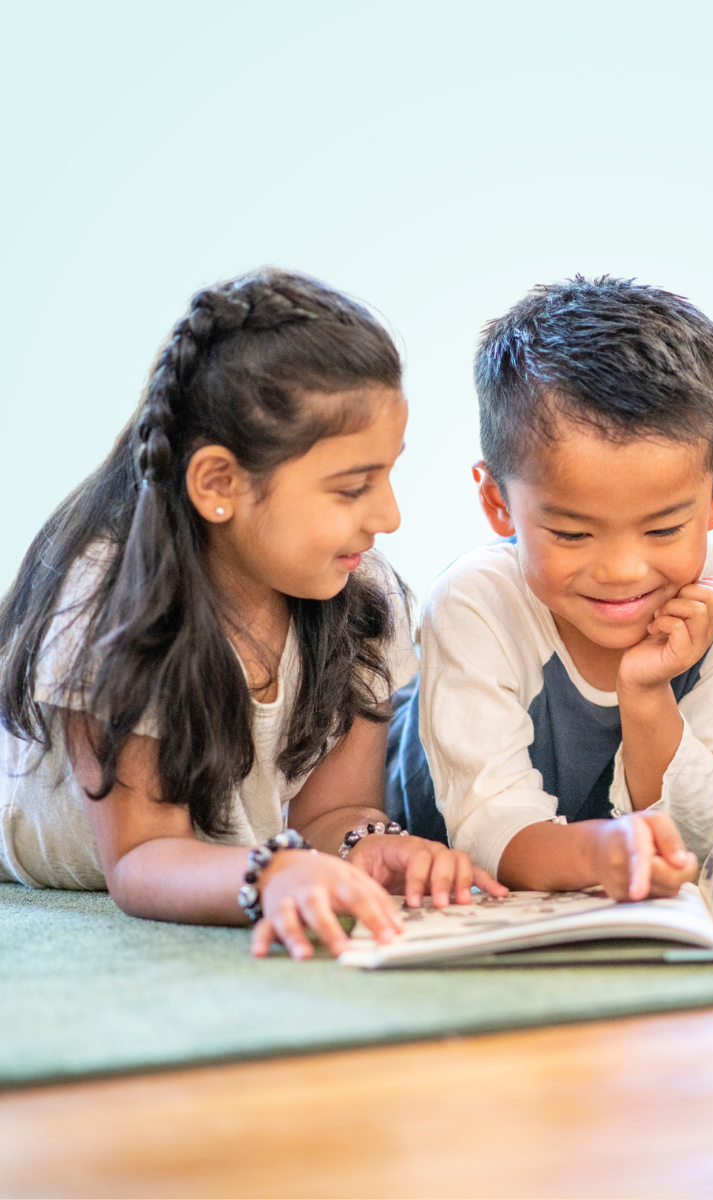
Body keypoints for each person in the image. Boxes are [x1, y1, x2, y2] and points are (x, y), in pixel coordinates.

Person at [0, 269, 504, 960]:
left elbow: (327, 814)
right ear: (219, 485)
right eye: (353, 487)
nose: (389, 515)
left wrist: (370, 845)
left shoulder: (362, 596)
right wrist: (274, 873)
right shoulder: (111, 603)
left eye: (387, 474)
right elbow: (143, 858)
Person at [388, 276, 713, 900]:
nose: (623, 570)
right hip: (434, 851)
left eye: (664, 527)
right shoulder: (474, 603)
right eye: (571, 534)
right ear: (498, 502)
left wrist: (647, 694)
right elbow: (490, 831)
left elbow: (710, 839)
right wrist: (611, 853)